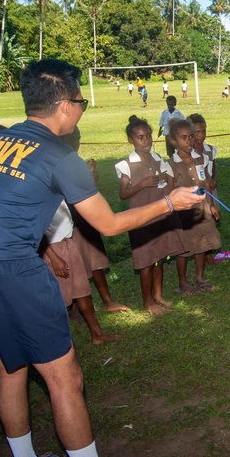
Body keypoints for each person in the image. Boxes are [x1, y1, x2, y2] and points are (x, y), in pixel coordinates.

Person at [0, 60, 204, 457]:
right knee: (65, 379)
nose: (81, 108)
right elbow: (108, 224)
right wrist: (169, 202)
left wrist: (41, 243)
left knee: (10, 370)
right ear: (65, 106)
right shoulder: (58, 154)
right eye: (81, 100)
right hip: (10, 275)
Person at [116, 115, 186, 315]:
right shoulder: (127, 164)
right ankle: (148, 302)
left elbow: (168, 184)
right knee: (146, 260)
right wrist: (142, 184)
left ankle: (158, 295)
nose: (146, 141)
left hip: (160, 215)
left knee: (159, 257)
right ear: (131, 140)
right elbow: (123, 194)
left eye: (148, 136)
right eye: (140, 137)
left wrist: (164, 179)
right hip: (140, 219)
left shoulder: (158, 159)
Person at [63, 128, 130, 313]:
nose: (75, 142)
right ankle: (75, 307)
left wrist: (90, 177)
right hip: (69, 223)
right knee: (75, 265)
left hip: (86, 219)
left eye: (77, 137)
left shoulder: (74, 161)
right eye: (71, 137)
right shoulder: (59, 163)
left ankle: (107, 301)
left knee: (95, 261)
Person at [40, 198, 124, 344]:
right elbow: (36, 230)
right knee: (57, 299)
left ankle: (97, 334)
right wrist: (53, 257)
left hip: (68, 242)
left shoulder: (55, 188)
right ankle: (57, 344)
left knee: (82, 292)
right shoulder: (36, 193)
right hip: (53, 249)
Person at [169, 119, 221, 293]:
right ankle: (183, 283)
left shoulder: (201, 158)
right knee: (183, 248)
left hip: (202, 211)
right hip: (183, 214)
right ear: (173, 141)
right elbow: (169, 192)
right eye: (183, 138)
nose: (189, 141)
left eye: (191, 136)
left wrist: (212, 205)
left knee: (202, 244)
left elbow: (206, 184)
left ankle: (199, 279)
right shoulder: (170, 164)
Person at [189, 113, 217, 194]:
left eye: (203, 131)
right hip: (194, 192)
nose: (201, 135)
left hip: (211, 192)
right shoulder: (187, 153)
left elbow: (213, 169)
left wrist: (214, 179)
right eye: (197, 132)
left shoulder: (210, 150)